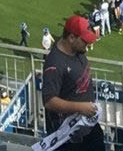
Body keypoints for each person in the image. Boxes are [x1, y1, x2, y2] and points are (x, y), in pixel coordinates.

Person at [40, 15, 105, 151]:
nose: (88, 44)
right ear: (71, 38)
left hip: (88, 126)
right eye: (84, 41)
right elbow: (49, 101)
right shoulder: (55, 63)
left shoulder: (77, 50)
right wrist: (81, 107)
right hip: (69, 137)